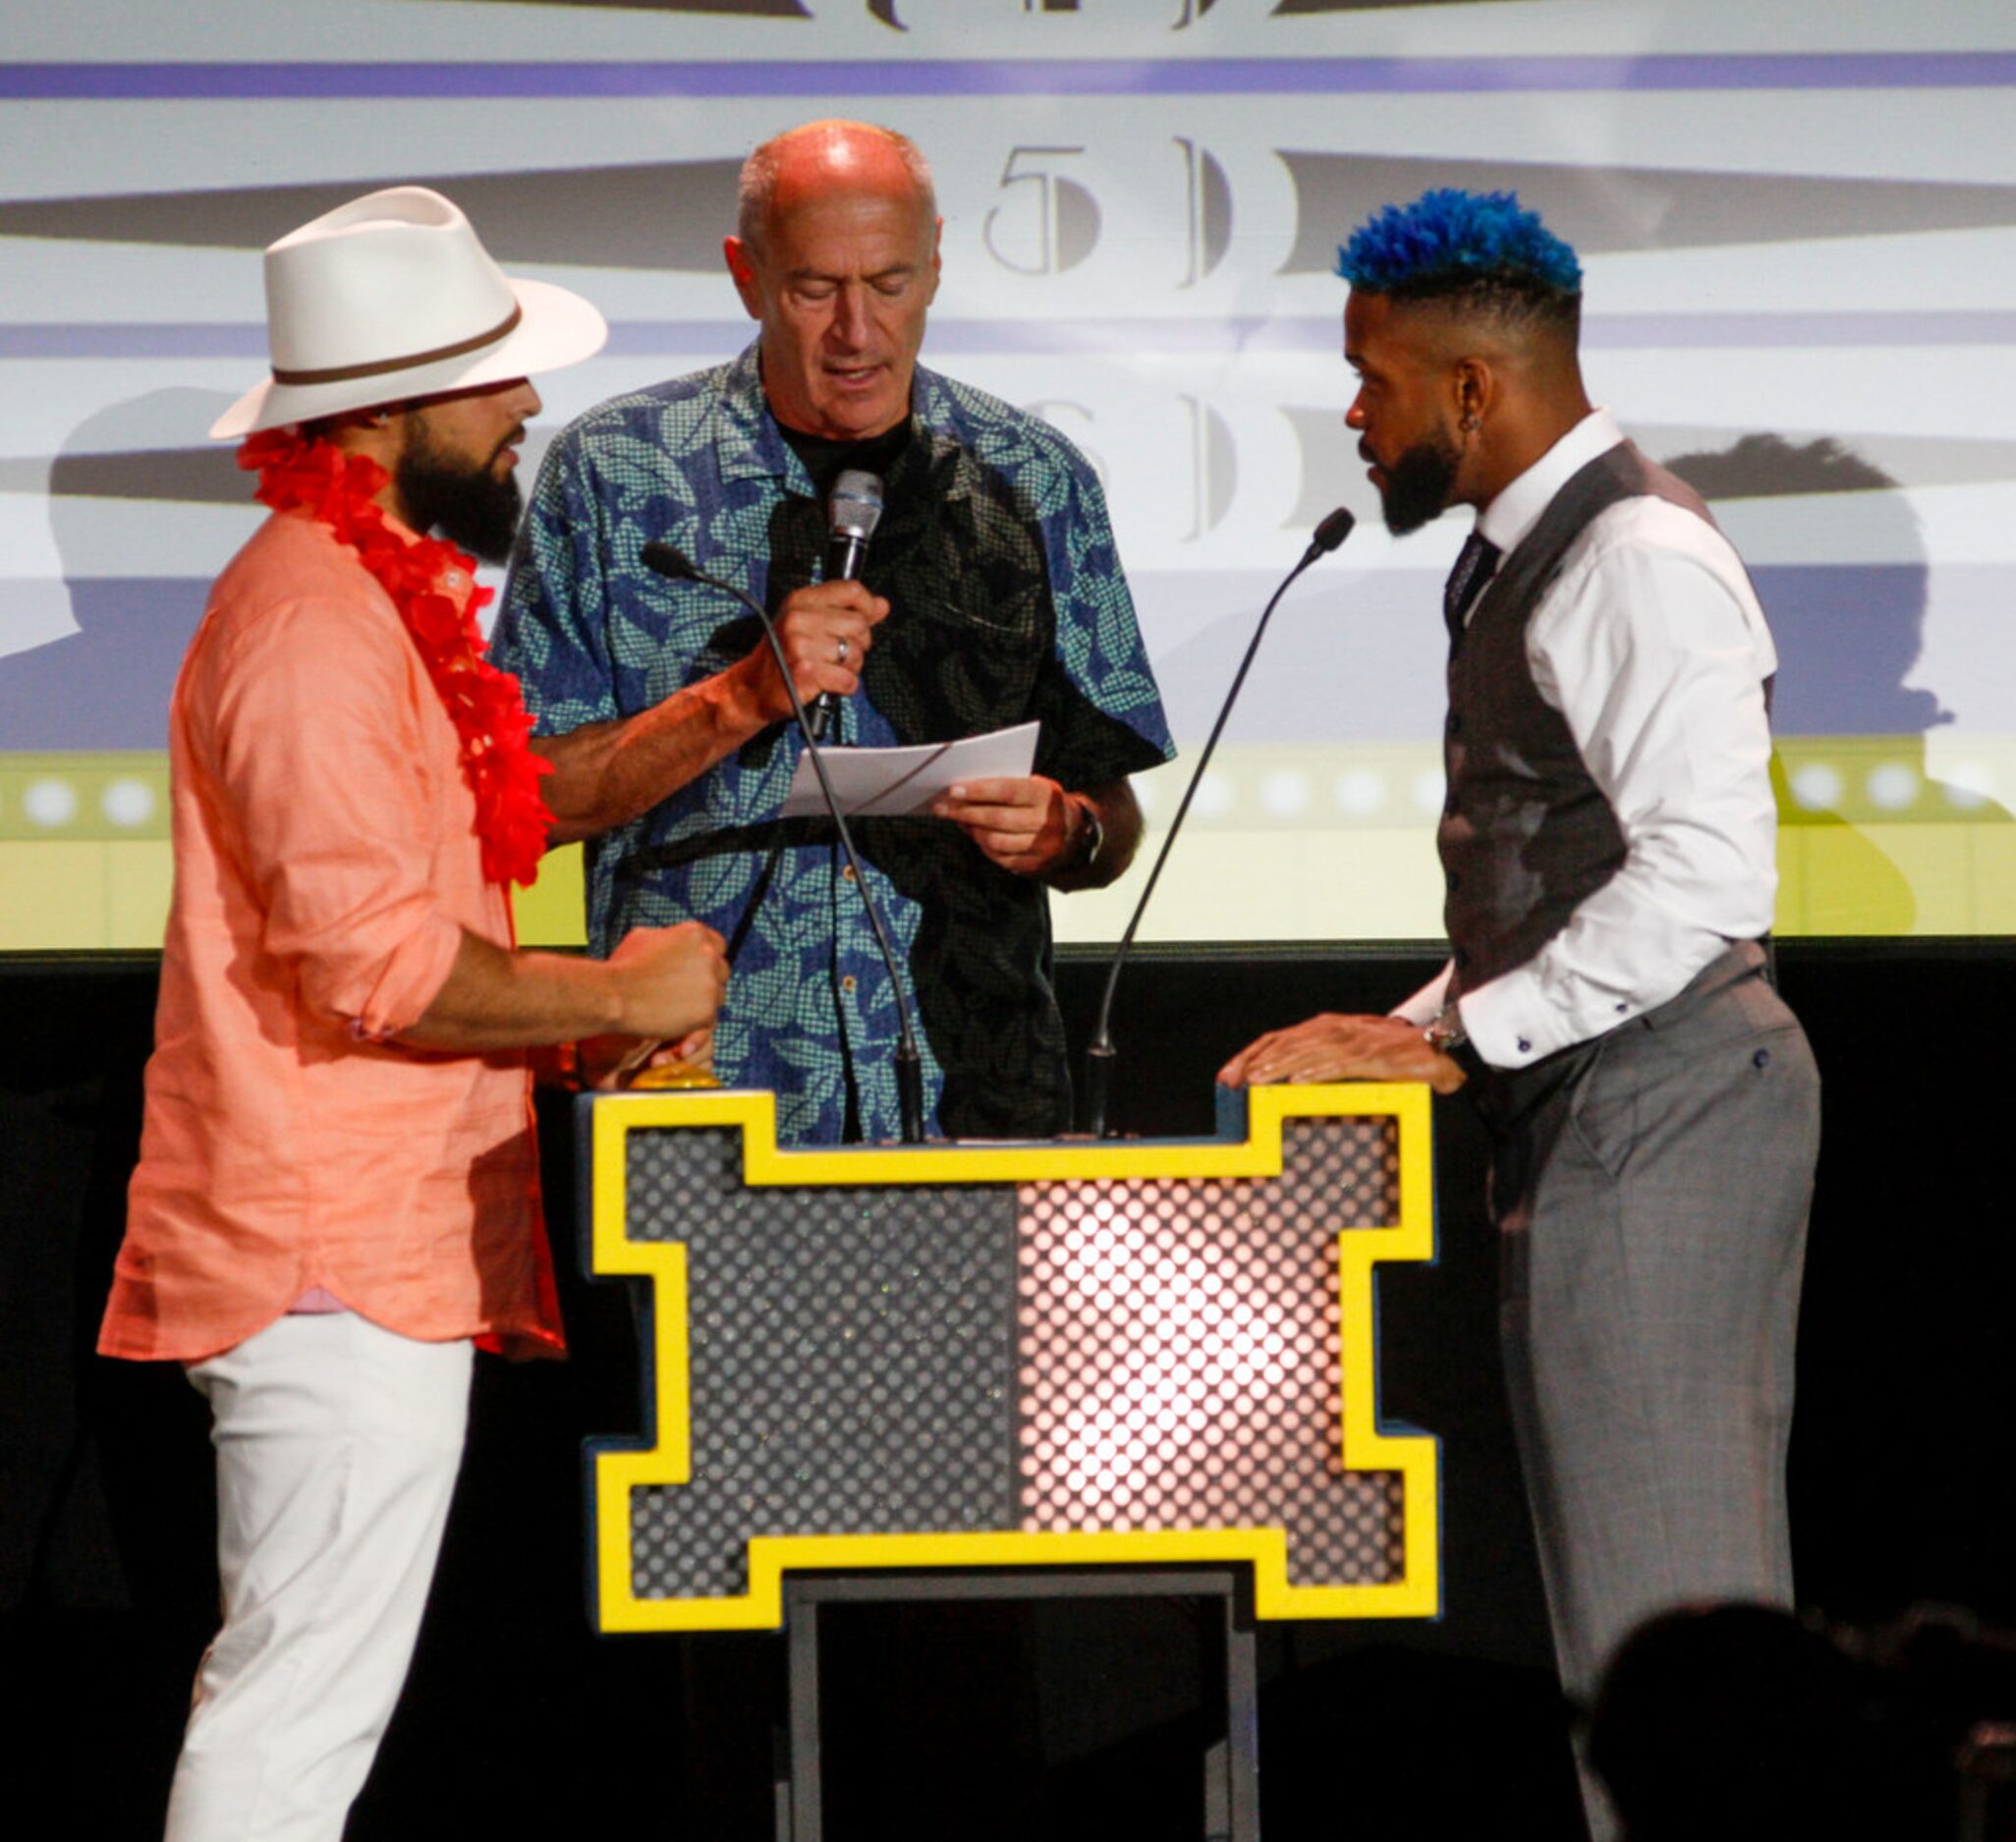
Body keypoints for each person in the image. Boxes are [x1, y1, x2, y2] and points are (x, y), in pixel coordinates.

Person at [97, 187, 728, 1842]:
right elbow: (378, 965)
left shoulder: (360, 597)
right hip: (327, 1248)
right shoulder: (309, 622)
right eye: (492, 375)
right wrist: (626, 989)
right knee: (295, 1708)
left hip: (361, 1241)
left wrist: (593, 1019)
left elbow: (469, 852)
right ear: (377, 410)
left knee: (307, 1698)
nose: (528, 404)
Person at [1216, 189, 1820, 1840]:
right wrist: (1397, 1022)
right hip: (1608, 1102)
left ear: (1471, 388)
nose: (1356, 415)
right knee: (1624, 1626)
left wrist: (1453, 1038)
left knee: (1665, 1623)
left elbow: (1700, 878)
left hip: (1667, 1101)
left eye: (1374, 381)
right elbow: (1556, 877)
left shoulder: (1633, 554)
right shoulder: (1524, 555)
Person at [494, 119, 1173, 1144]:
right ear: (745, 275)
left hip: (972, 1093)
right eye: (814, 290)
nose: (857, 332)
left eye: (890, 283)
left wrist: (1064, 831)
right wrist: (740, 698)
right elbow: (527, 803)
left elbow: (1111, 816)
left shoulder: (1032, 478)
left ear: (937, 263)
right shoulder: (614, 475)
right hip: (706, 1090)